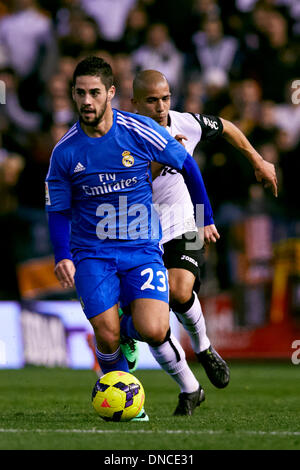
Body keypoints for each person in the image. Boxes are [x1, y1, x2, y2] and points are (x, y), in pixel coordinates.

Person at [45, 56, 215, 419]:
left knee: (153, 329)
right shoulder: (65, 151)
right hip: (92, 252)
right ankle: (126, 406)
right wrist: (62, 255)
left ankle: (188, 384)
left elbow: (186, 163)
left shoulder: (137, 129)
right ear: (73, 95)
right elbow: (58, 209)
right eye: (80, 93)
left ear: (110, 93)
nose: (87, 101)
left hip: (141, 248)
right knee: (105, 337)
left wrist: (205, 218)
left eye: (94, 92)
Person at [128, 69, 278, 390]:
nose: (160, 106)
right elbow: (125, 186)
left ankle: (205, 347)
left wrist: (257, 160)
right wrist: (161, 159)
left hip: (188, 218)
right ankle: (135, 336)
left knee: (180, 291)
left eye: (165, 98)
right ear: (135, 103)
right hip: (140, 230)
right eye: (152, 100)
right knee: (146, 318)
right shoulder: (123, 137)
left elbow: (227, 127)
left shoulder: (185, 123)